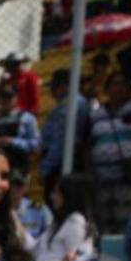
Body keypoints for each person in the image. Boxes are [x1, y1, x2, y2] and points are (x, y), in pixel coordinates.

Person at [89, 70, 131, 234]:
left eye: (123, 84)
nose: (119, 88)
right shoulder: (96, 113)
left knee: (128, 219)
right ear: (107, 88)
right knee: (104, 221)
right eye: (115, 84)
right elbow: (89, 142)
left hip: (128, 175)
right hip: (102, 176)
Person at [39, 69, 89, 198]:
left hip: (60, 164)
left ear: (63, 86)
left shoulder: (68, 106)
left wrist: (46, 168)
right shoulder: (76, 103)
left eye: (53, 86)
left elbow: (60, 140)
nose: (51, 91)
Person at [0, 81, 40, 175]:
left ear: (16, 98)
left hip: (18, 167)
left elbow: (35, 145)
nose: (6, 100)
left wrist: (13, 142)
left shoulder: (26, 118)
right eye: (3, 96)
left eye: (9, 96)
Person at [0, 52, 40, 118]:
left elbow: (34, 96)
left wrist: (32, 113)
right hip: (9, 113)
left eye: (15, 64)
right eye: (9, 65)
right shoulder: (7, 80)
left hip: (25, 113)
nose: (11, 67)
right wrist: (1, 83)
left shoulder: (30, 77)